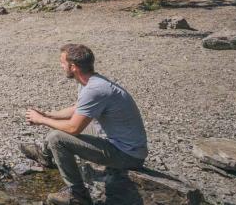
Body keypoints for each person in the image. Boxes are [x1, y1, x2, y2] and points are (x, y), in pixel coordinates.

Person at [22, 44, 148, 205]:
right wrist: (47, 114)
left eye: (62, 63)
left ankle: (78, 195)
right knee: (59, 126)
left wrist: (42, 120)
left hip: (128, 155)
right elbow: (77, 109)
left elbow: (74, 129)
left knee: (57, 138)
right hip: (117, 142)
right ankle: (45, 157)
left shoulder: (95, 89)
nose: (61, 66)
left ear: (73, 67)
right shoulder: (90, 82)